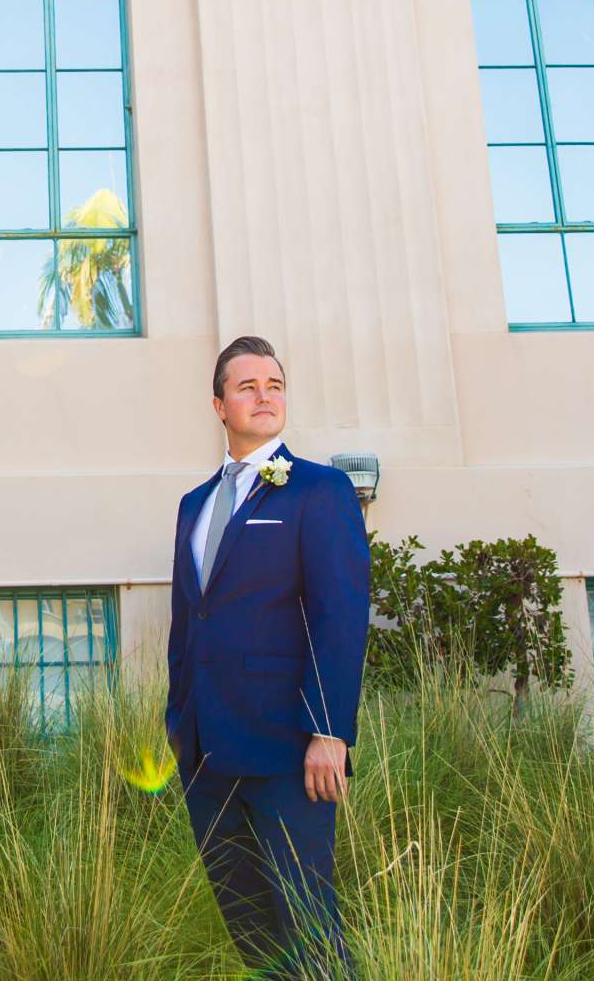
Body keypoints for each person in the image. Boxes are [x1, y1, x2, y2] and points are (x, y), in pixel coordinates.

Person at [165, 335, 372, 979]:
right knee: (249, 929)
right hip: (206, 755)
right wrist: (179, 726)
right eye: (247, 386)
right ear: (219, 405)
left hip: (289, 751)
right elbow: (187, 624)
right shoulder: (193, 506)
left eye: (274, 385)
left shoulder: (319, 490)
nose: (264, 396)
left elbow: (339, 617)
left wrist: (330, 731)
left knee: (309, 922)